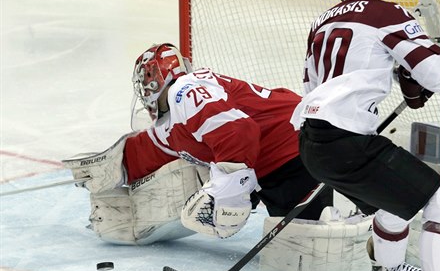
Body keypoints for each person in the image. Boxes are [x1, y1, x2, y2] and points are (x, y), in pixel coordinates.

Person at [290, 0, 440, 271]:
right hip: (348, 144)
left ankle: (390, 268)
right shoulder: (387, 13)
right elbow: (436, 77)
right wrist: (416, 65)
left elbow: (310, 86)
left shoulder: (321, 21)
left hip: (312, 144)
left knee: (395, 202)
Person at [65, 42, 333, 244]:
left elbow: (238, 131)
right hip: (275, 164)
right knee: (296, 245)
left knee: (314, 245)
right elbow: (151, 151)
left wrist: (229, 191)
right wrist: (116, 167)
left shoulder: (186, 90)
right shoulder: (171, 120)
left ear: (154, 82)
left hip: (295, 148)